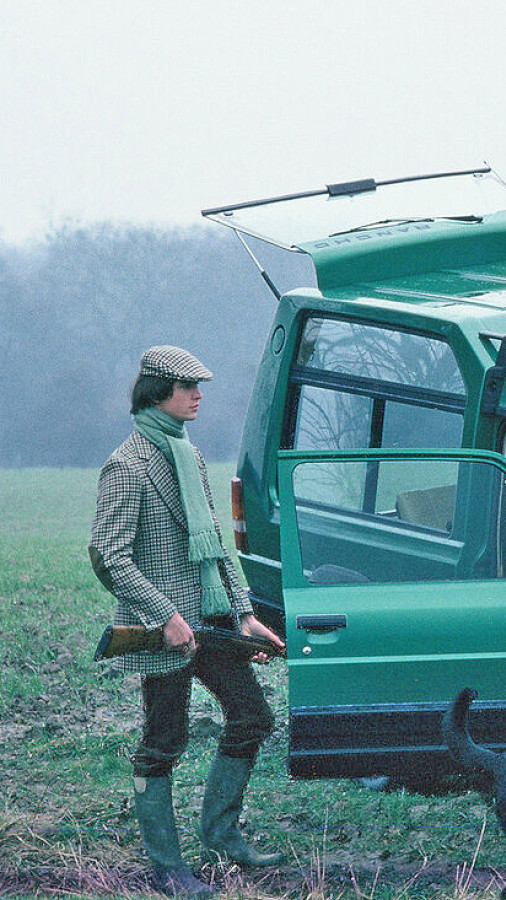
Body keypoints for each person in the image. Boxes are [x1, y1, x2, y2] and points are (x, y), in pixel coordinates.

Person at [89, 346, 287, 896]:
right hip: (164, 630)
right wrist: (166, 615)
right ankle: (169, 868)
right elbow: (108, 554)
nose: (199, 395)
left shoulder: (188, 454)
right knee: (163, 742)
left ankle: (222, 836)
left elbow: (216, 545)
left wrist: (244, 615)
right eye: (188, 386)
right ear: (157, 391)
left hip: (215, 619)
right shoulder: (126, 466)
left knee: (252, 717)